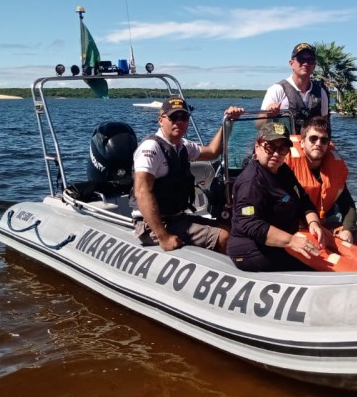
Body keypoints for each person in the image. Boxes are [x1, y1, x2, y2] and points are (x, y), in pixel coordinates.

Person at [131, 98, 244, 252]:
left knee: (230, 227)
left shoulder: (182, 146)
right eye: (173, 117)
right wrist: (163, 237)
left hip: (176, 217)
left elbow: (212, 152)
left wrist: (228, 122)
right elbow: (142, 192)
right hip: (152, 225)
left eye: (183, 117)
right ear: (161, 120)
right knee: (224, 236)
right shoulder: (151, 148)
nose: (179, 122)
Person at [227, 122, 326, 272]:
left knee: (329, 251)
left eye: (282, 149)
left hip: (283, 242)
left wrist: (314, 223)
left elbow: (303, 200)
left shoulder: (283, 171)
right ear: (257, 146)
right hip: (251, 251)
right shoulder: (252, 182)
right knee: (316, 264)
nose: (276, 154)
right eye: (270, 147)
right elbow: (251, 224)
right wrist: (292, 241)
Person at [286, 115, 357, 249]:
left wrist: (347, 230)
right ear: (302, 142)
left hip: (321, 224)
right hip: (296, 228)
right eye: (313, 138)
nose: (318, 143)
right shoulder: (286, 168)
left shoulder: (334, 170)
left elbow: (348, 206)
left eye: (324, 140)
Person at [261, 42, 330, 133]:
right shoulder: (277, 90)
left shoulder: (321, 93)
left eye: (310, 60)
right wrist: (269, 114)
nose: (306, 63)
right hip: (285, 145)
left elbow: (324, 125)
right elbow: (259, 125)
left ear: (314, 65)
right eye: (301, 59)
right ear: (291, 63)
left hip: (310, 145)